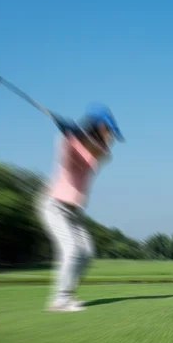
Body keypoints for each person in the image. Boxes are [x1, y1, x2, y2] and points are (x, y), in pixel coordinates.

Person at [38, 102, 124, 312]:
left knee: (86, 252)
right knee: (72, 250)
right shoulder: (68, 143)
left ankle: (68, 294)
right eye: (109, 130)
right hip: (55, 207)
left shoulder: (99, 150)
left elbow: (98, 152)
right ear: (98, 125)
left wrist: (75, 133)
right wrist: (68, 135)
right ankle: (60, 299)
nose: (111, 137)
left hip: (74, 212)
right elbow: (68, 157)